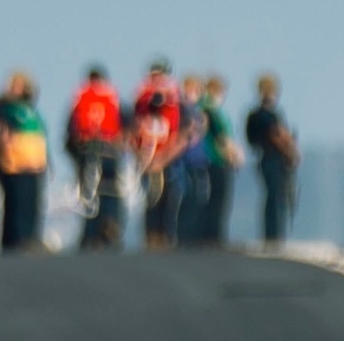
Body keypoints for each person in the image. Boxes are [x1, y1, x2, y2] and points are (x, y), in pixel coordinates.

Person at [66, 65, 127, 249]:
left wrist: (74, 152)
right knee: (109, 190)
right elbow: (124, 122)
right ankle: (108, 229)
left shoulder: (80, 96)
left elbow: (71, 127)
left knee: (90, 193)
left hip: (90, 150)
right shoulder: (111, 96)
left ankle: (92, 234)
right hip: (108, 150)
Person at [0, 72, 51, 251]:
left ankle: (31, 236)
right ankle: (15, 238)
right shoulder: (4, 106)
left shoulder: (30, 109)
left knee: (33, 201)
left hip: (35, 162)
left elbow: (40, 135)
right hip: (15, 161)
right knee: (16, 201)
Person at [129, 61, 183, 248]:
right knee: (150, 199)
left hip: (165, 160)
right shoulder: (141, 103)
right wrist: (141, 157)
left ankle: (165, 235)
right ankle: (151, 236)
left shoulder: (173, 105)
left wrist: (163, 159)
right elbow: (133, 134)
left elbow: (177, 137)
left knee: (168, 199)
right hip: (147, 160)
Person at [181, 74, 237, 249]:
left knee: (210, 201)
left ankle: (210, 236)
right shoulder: (209, 109)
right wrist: (232, 155)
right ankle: (213, 236)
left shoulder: (206, 108)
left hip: (210, 158)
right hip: (214, 159)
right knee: (216, 201)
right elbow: (220, 137)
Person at [245, 73, 299, 244]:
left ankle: (272, 234)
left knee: (274, 197)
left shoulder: (255, 115)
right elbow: (277, 135)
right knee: (276, 198)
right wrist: (291, 151)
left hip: (265, 158)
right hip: (272, 158)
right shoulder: (265, 115)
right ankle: (273, 235)